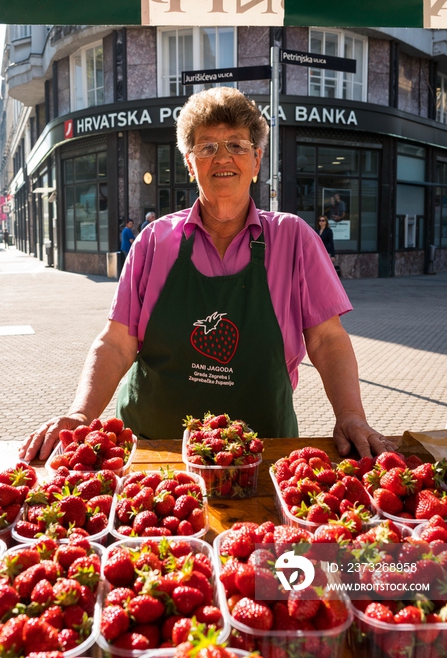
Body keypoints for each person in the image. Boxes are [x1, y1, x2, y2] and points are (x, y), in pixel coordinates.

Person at [19, 87, 396, 462]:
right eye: (207, 147)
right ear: (189, 162)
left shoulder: (294, 239)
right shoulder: (154, 241)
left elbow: (328, 340)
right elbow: (117, 342)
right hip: (152, 453)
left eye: (236, 144)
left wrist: (350, 415)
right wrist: (82, 413)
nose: (223, 158)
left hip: (261, 454)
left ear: (257, 159)